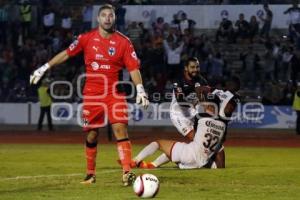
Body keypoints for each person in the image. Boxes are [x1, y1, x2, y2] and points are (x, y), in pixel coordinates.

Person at [29, 4, 149, 186]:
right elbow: (66, 54)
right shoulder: (86, 38)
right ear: (98, 19)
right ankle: (90, 174)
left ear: (114, 18)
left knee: (120, 129)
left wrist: (140, 89)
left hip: (114, 93)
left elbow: (133, 68)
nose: (108, 18)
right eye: (104, 15)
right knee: (92, 135)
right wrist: (44, 67)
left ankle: (126, 172)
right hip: (92, 95)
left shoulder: (124, 42)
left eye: (111, 15)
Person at [133, 63, 240, 169]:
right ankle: (155, 164)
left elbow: (203, 92)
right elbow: (227, 109)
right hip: (181, 115)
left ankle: (136, 161)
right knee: (215, 146)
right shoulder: (222, 107)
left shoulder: (205, 109)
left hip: (190, 150)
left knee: (160, 143)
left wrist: (201, 99)